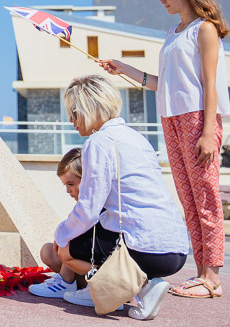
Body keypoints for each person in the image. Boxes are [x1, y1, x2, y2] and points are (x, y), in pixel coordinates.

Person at [102, 0, 230, 299]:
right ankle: (201, 274)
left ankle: (212, 278)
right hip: (171, 119)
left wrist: (207, 132)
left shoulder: (205, 29)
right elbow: (165, 84)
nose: (161, 0)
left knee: (206, 198)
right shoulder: (173, 32)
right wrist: (124, 68)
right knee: (189, 199)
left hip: (198, 119)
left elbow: (210, 84)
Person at [53, 75, 189, 320]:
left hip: (143, 248)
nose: (71, 120)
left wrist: (61, 234)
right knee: (89, 236)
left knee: (66, 250)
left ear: (90, 108)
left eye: (74, 112)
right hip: (176, 249)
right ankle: (118, 287)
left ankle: (127, 289)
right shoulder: (137, 138)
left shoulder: (99, 142)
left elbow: (89, 209)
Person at [29, 148, 94, 299]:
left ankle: (66, 282)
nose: (67, 190)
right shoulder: (81, 205)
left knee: (68, 242)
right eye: (65, 185)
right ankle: (78, 285)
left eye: (71, 184)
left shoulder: (97, 204)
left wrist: (63, 236)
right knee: (48, 251)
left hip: (107, 266)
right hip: (89, 265)